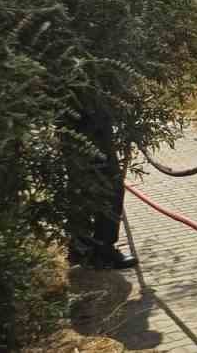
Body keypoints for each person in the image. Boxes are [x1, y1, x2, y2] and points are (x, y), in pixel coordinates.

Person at [62, 93, 138, 270]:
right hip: (89, 125)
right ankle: (102, 251)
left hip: (79, 123)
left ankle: (80, 246)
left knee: (80, 186)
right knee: (111, 188)